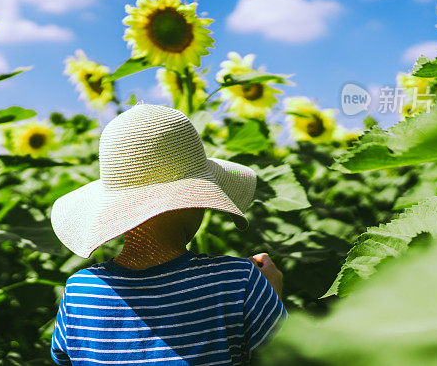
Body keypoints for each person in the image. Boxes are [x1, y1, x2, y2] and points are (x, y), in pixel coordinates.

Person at [49, 103, 287, 365]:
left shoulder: (80, 291)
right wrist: (270, 294)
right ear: (193, 201)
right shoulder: (238, 281)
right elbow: (290, 355)